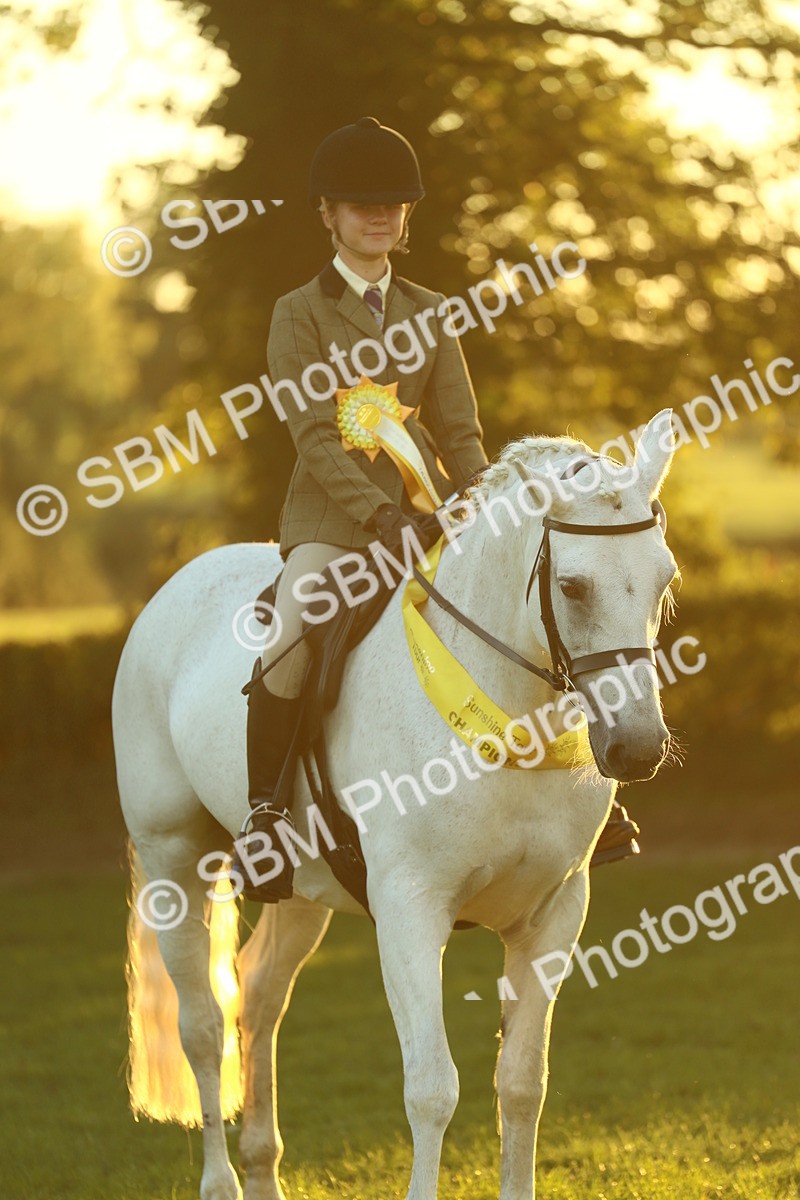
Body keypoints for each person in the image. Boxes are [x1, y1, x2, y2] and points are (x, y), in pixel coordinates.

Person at [234, 116, 638, 904]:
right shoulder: (298, 312)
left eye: (391, 205)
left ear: (406, 215)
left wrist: (489, 508)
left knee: (539, 610)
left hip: (432, 518)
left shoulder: (433, 309)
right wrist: (379, 516)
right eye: (361, 205)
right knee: (291, 634)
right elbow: (314, 436)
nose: (378, 216)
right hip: (334, 526)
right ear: (328, 214)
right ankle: (265, 816)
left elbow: (461, 434)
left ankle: (590, 797)